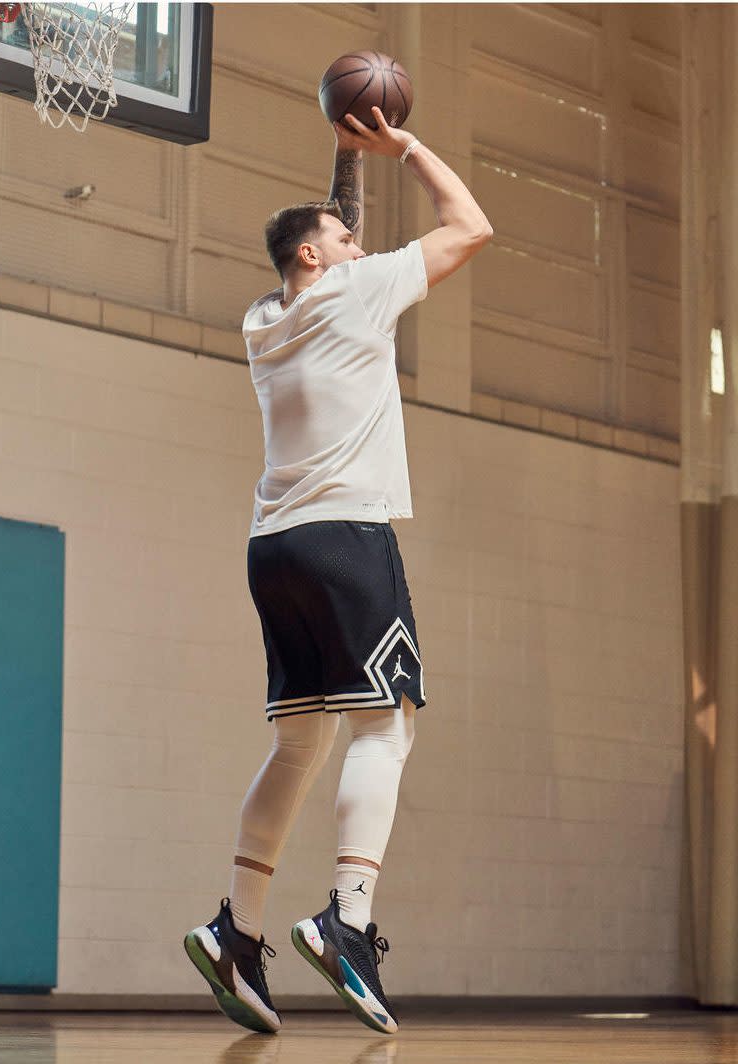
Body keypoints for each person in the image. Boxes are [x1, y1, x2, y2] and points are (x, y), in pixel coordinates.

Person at [183, 106, 492, 1036]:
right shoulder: (357, 293)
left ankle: (238, 931)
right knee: (387, 728)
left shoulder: (264, 316)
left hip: (272, 548)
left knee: (300, 744)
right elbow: (473, 226)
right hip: (346, 537)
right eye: (344, 238)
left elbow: (330, 233)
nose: (359, 244)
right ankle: (346, 920)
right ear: (316, 257)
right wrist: (405, 147)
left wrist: (342, 160)